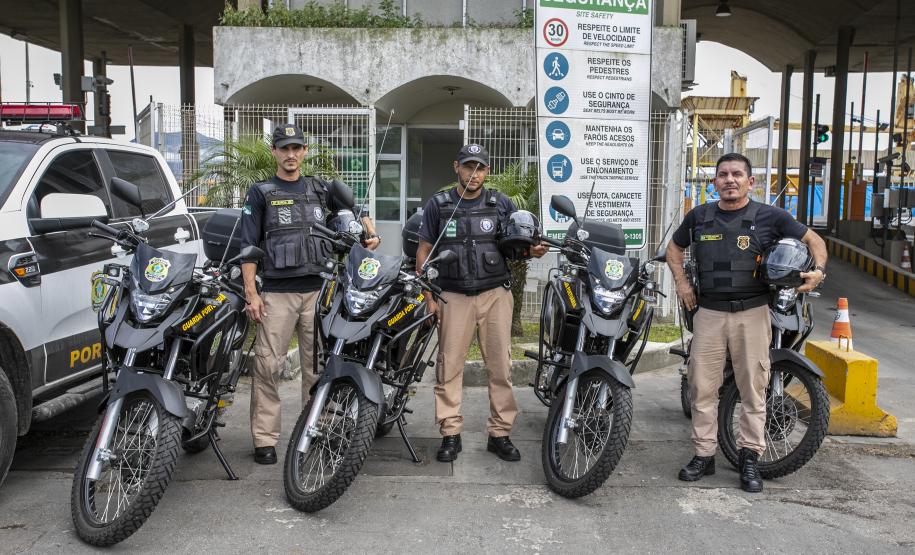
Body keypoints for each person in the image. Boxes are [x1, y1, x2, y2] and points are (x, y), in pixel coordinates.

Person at [666, 152, 827, 492]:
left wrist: (818, 272)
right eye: (723, 174)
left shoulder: (771, 216)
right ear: (715, 183)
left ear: (750, 182)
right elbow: (674, 249)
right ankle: (703, 456)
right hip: (708, 314)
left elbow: (815, 241)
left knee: (754, 390)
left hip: (753, 314)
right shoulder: (698, 217)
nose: (729, 180)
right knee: (702, 387)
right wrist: (681, 283)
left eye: (737, 174)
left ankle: (749, 458)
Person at [240, 123, 379, 465]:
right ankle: (265, 438)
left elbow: (354, 210)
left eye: (296, 148)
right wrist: (251, 294)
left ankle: (317, 430)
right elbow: (247, 246)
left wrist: (369, 232)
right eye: (284, 148)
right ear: (274, 151)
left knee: (318, 368)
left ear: (304, 152)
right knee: (268, 366)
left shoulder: (320, 189)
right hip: (276, 294)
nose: (290, 154)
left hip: (319, 293)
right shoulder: (261, 192)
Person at [415, 144, 548, 463]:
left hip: (494, 296)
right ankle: (450, 433)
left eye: (480, 168)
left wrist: (533, 251)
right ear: (456, 167)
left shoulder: (500, 204)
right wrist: (428, 296)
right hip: (453, 296)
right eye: (468, 167)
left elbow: (517, 248)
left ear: (487, 172)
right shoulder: (439, 204)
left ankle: (500, 434)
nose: (474, 173)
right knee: (449, 368)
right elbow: (424, 251)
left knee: (500, 367)